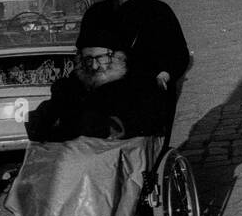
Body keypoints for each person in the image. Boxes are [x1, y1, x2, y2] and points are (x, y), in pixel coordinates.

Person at [26, 28, 170, 142]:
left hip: (118, 162)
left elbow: (149, 123)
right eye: (88, 59)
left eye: (101, 58)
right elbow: (49, 115)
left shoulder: (138, 83)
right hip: (77, 158)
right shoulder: (69, 86)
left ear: (117, 57)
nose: (94, 66)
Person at [78, 0, 190, 96]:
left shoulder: (157, 11)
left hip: (145, 92)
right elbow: (82, 51)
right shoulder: (95, 13)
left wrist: (165, 75)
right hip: (102, 91)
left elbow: (179, 54)